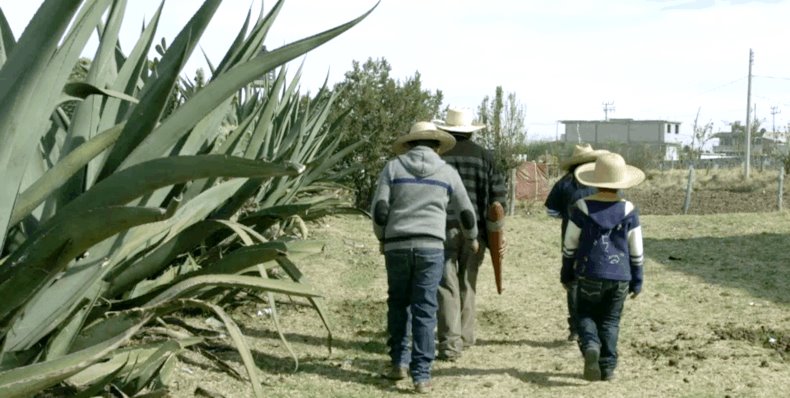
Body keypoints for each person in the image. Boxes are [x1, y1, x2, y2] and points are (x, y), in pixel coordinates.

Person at [371, 121, 479, 394]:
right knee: (424, 307)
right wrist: (472, 237)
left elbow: (380, 210)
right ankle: (421, 375)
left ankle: (398, 363)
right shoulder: (446, 171)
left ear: (408, 144)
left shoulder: (393, 168)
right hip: (431, 247)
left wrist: (382, 238)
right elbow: (466, 211)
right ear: (438, 146)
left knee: (398, 303)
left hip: (397, 245)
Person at [560, 152, 645, 382]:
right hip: (620, 276)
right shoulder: (629, 210)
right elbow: (636, 250)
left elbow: (570, 244)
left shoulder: (581, 207)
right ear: (621, 182)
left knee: (585, 313)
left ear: (595, 180)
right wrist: (637, 280)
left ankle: (590, 345)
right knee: (610, 320)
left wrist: (566, 272)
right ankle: (607, 367)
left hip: (588, 272)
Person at [434, 108, 508, 361]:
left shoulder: (439, 156)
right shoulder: (485, 157)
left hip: (442, 227)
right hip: (475, 230)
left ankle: (449, 341)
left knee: (446, 285)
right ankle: (465, 336)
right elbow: (498, 200)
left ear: (446, 130)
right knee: (468, 282)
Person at [545, 143, 609, 341]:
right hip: (600, 240)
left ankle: (576, 328)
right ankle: (596, 325)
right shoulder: (603, 181)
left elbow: (551, 211)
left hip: (571, 238)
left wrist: (568, 216)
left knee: (573, 282)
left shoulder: (565, 182)